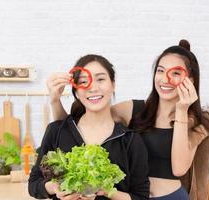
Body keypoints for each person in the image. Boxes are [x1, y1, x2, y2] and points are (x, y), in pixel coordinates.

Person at [46, 40, 209, 200]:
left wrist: (181, 110)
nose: (165, 79)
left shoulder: (199, 122)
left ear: (190, 80)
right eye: (160, 70)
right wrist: (55, 101)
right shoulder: (133, 109)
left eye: (176, 73)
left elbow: (179, 168)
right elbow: (75, 130)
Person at [29, 54, 150, 200]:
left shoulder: (130, 140)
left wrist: (106, 191)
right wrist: (55, 188)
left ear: (113, 84)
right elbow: (34, 184)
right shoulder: (56, 131)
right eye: (83, 82)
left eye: (100, 79)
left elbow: (141, 197)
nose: (93, 88)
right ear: (76, 91)